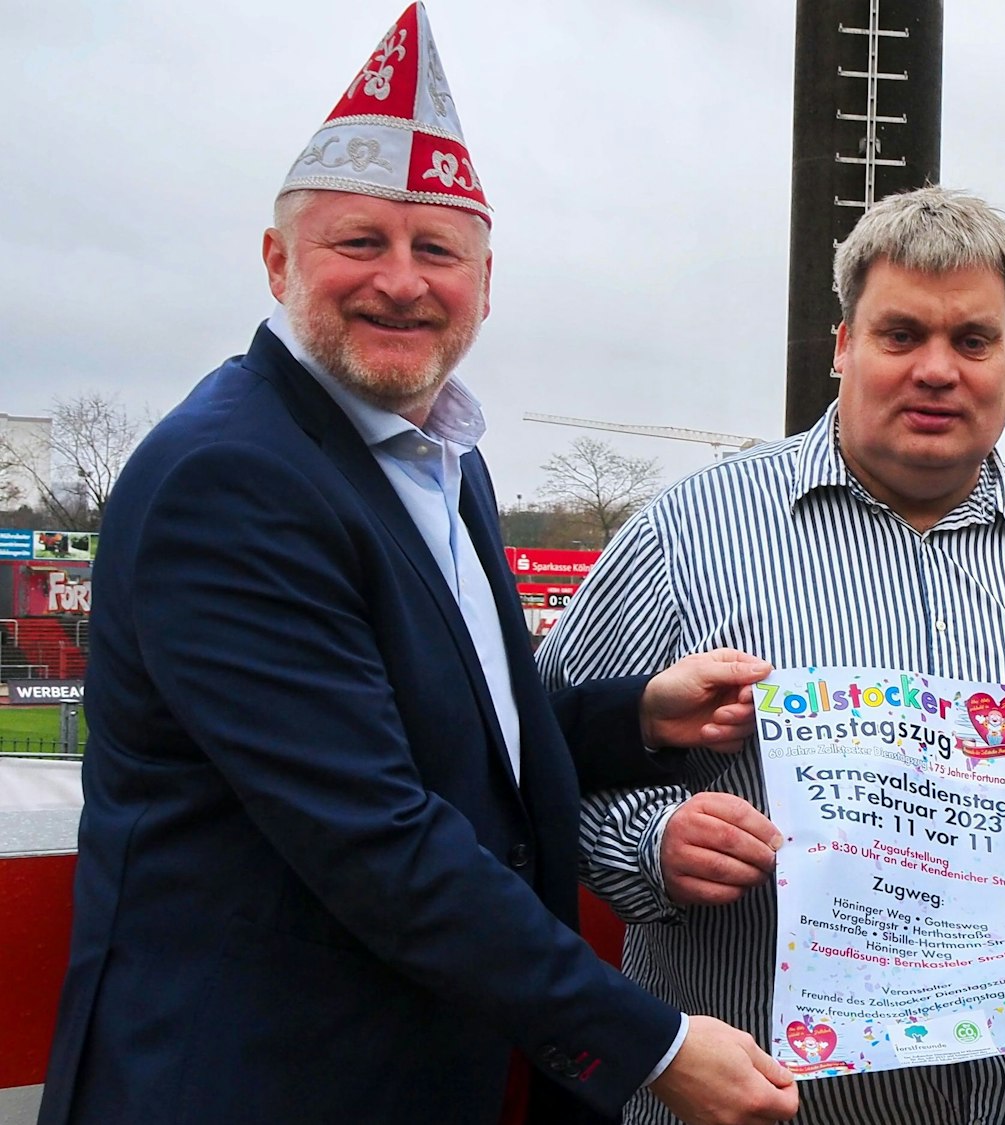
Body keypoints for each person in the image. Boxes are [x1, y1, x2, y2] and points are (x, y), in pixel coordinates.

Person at [38, 7, 798, 1124]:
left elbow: (443, 722)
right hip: (252, 1081)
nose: (401, 282)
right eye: (360, 242)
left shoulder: (437, 453)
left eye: (436, 250)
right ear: (276, 259)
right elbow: (374, 834)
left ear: (484, 284)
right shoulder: (233, 480)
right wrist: (652, 1043)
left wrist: (634, 716)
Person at [537, 186, 1005, 1125]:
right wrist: (653, 850)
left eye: (972, 341)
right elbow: (540, 773)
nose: (937, 371)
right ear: (842, 346)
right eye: (901, 333)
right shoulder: (690, 533)